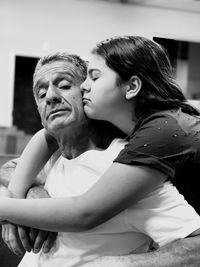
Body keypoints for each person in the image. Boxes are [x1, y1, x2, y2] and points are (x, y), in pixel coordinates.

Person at [1, 50, 200, 267]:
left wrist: (118, 264)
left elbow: (195, 248)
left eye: (65, 85)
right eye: (41, 94)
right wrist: (32, 193)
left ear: (88, 94)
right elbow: (9, 168)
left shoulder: (126, 169)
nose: (50, 96)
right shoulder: (54, 153)